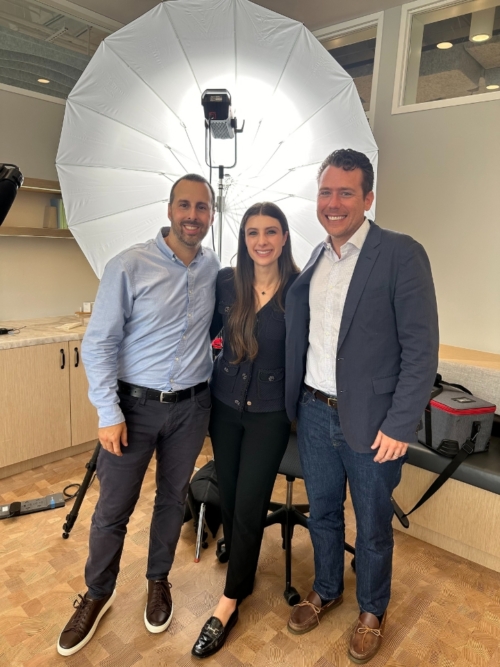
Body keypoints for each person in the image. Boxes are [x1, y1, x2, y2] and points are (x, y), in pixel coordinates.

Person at [285, 149, 438, 664]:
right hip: (313, 412)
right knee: (323, 513)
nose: (333, 203)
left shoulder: (400, 253)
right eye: (326, 192)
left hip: (375, 426)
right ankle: (326, 588)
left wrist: (401, 423)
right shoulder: (316, 256)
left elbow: (421, 349)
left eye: (346, 192)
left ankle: (372, 609)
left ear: (368, 198)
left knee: (372, 525)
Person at [57, 174, 220, 656]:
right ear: (169, 209)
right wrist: (108, 412)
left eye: (203, 208)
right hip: (134, 407)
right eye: (185, 205)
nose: (193, 216)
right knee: (113, 511)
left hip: (192, 408)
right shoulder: (129, 264)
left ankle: (158, 580)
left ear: (212, 215)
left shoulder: (215, 269)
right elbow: (100, 341)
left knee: (172, 500)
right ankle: (97, 593)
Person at [191, 202, 300, 659]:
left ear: (284, 237)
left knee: (251, 499)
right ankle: (241, 554)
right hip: (225, 405)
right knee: (232, 493)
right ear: (243, 238)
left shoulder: (299, 289)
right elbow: (199, 332)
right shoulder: (226, 284)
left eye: (271, 231)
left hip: (271, 414)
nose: (262, 241)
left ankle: (230, 600)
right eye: (253, 232)